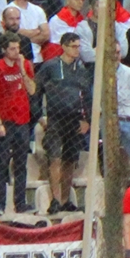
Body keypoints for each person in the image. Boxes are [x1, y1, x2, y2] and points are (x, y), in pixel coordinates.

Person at [37, 37, 90, 212]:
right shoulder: (50, 66)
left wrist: (87, 120)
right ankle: (55, 200)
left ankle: (66, 200)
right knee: (54, 158)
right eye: (73, 46)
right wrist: (40, 116)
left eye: (78, 47)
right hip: (55, 118)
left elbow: (88, 97)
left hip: (74, 118)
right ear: (64, 47)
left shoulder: (81, 70)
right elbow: (36, 91)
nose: (77, 50)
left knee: (70, 160)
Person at [0, 37, 34, 217]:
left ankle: (20, 202)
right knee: (2, 163)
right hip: (5, 120)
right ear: (4, 50)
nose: (16, 52)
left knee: (21, 163)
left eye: (18, 48)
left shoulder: (24, 65)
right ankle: (0, 203)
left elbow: (32, 90)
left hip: (22, 120)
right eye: (12, 48)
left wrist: (22, 70)